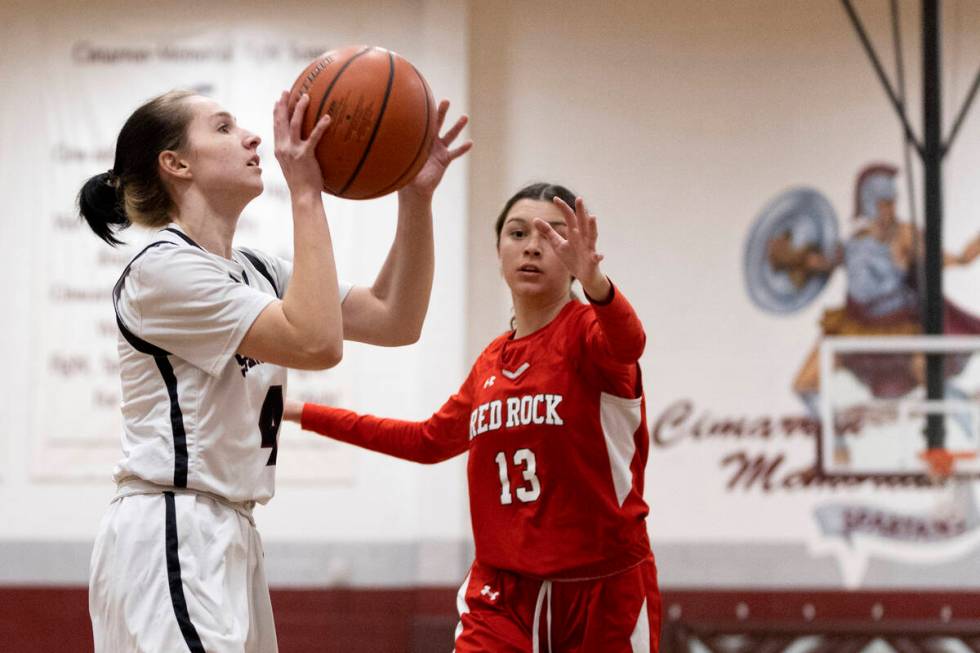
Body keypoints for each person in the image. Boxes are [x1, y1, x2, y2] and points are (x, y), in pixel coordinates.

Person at [79, 88, 470, 652]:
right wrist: (306, 191)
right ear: (176, 163)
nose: (252, 136)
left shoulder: (256, 268)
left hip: (229, 531)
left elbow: (394, 318)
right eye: (222, 127)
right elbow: (315, 342)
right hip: (172, 527)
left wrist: (415, 199)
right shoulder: (161, 270)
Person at [286, 183, 661, 652]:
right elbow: (425, 441)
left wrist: (597, 285)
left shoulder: (589, 333)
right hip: (503, 591)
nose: (532, 245)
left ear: (577, 251)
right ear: (499, 250)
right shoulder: (490, 364)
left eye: (553, 235)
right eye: (518, 232)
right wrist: (301, 411)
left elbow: (631, 344)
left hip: (601, 585)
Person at [782, 164, 980, 461]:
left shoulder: (907, 236)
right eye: (883, 202)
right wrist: (788, 255)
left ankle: (972, 431)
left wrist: (968, 252)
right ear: (868, 204)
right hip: (855, 328)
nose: (889, 208)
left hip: (898, 327)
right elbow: (816, 263)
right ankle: (837, 439)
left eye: (892, 201)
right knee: (805, 385)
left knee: (929, 375)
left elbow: (959, 259)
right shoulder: (853, 242)